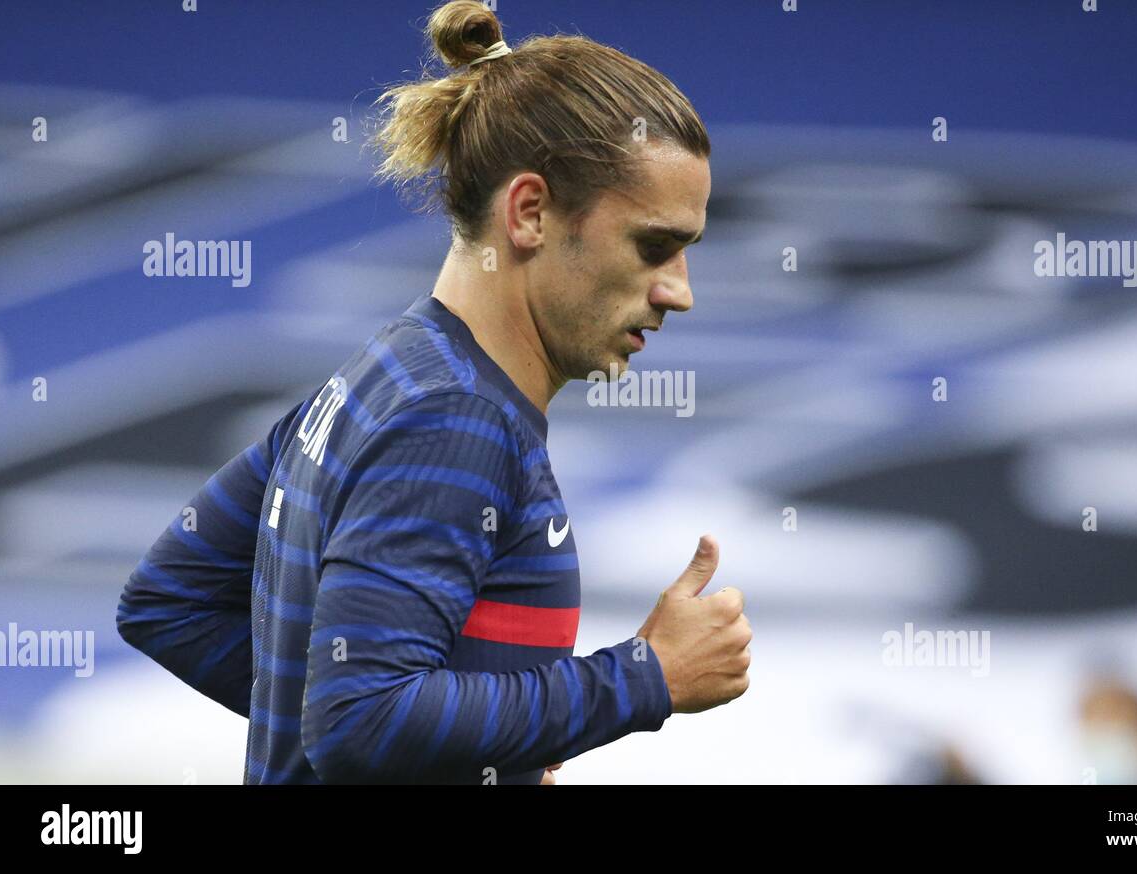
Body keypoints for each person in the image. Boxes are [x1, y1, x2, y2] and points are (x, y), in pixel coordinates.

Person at [117, 0, 751, 785]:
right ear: (529, 214)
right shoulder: (457, 420)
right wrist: (643, 677)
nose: (679, 292)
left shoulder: (384, 373)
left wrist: (475, 744)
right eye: (655, 246)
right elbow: (357, 718)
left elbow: (170, 601)